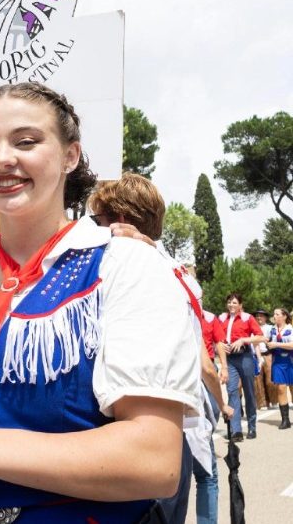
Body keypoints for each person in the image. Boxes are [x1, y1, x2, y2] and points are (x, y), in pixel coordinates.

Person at [0, 82, 202, 523]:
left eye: (26, 141)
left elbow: (154, 461)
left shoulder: (126, 265)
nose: (3, 158)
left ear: (71, 155)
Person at [88, 172, 234, 524]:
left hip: (127, 442)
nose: (94, 227)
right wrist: (222, 403)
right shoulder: (177, 274)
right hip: (173, 440)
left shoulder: (121, 264)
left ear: (119, 221)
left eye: (97, 219)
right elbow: (206, 366)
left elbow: (204, 364)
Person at [217, 293, 264, 441]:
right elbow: (215, 337)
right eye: (229, 302)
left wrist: (243, 340)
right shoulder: (222, 318)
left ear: (241, 305)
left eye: (235, 303)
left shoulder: (247, 318)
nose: (231, 305)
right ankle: (236, 430)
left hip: (245, 357)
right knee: (232, 392)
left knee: (249, 392)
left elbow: (260, 336)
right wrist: (219, 344)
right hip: (229, 359)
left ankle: (251, 426)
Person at [266, 307, 293, 429]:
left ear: (284, 316)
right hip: (278, 362)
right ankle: (285, 420)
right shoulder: (272, 329)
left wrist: (276, 344)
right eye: (274, 314)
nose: (274, 316)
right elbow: (267, 341)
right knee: (281, 389)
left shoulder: (290, 329)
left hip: (290, 361)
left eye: (277, 314)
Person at [253, 309, 277, 409]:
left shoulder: (270, 328)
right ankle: (262, 403)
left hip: (268, 355)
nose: (259, 318)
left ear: (266, 317)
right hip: (255, 356)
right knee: (257, 381)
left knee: (270, 380)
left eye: (261, 316)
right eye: (257, 316)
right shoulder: (251, 327)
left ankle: (274, 401)